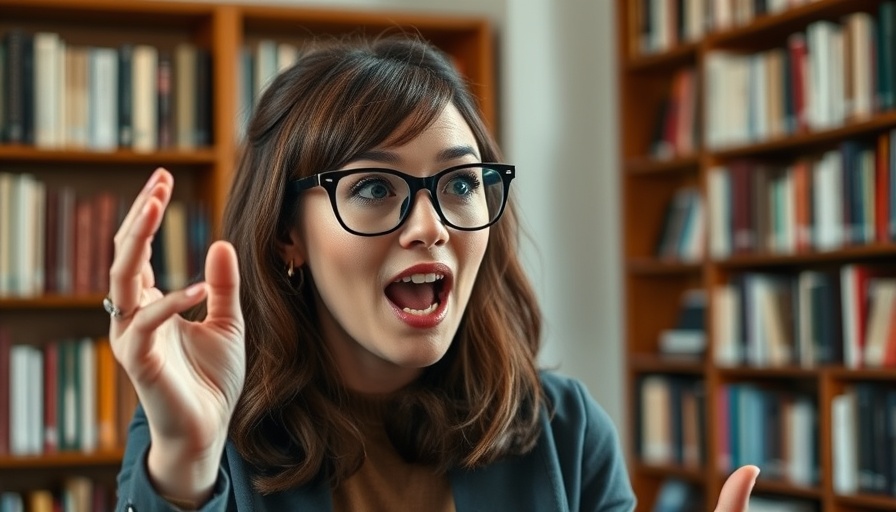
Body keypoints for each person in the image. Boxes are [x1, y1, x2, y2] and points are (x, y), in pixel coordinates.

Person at [108, 36, 757, 511]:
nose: (431, 226)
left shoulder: (566, 431)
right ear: (287, 237)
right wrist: (188, 468)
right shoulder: (200, 437)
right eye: (373, 189)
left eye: (460, 182)